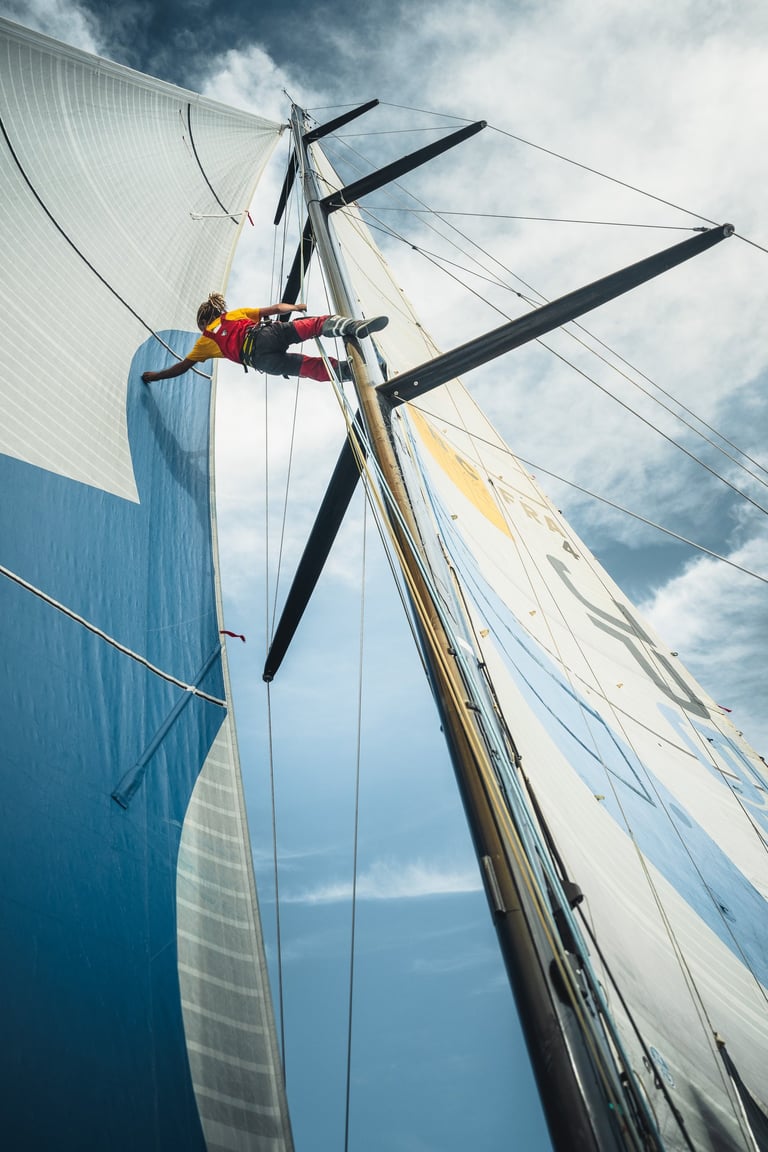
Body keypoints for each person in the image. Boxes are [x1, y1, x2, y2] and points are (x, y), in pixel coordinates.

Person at [141, 293, 388, 385]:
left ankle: (355, 373)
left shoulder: (204, 342)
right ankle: (353, 326)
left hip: (261, 362)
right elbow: (276, 309)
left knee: (308, 368)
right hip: (266, 336)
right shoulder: (233, 315)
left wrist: (155, 376)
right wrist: (297, 306)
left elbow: (181, 367)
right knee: (314, 325)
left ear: (204, 322)